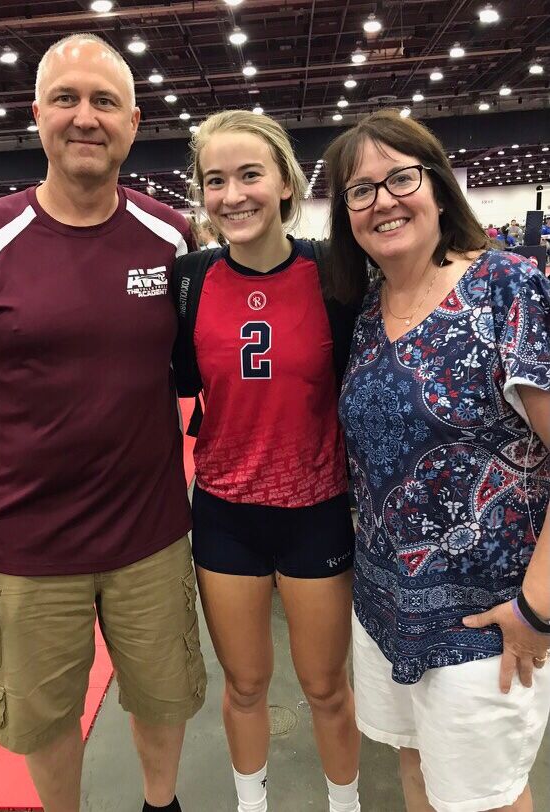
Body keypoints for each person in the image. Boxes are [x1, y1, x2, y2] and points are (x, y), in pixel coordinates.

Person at [0, 33, 206, 812]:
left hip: (150, 536)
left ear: (132, 120)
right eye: (67, 98)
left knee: (164, 694)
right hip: (26, 545)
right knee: (43, 718)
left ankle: (162, 805)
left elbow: (200, 372)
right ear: (38, 115)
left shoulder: (170, 235)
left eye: (104, 101)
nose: (85, 117)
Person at [325, 109, 550, 812]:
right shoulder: (366, 311)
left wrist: (535, 610)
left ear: (437, 186)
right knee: (415, 772)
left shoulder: (505, 288)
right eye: (359, 191)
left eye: (400, 178)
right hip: (386, 613)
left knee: (485, 799)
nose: (382, 200)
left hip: (487, 623)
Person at [172, 109, 361, 812]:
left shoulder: (334, 274)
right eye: (214, 180)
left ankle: (345, 803)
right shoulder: (187, 280)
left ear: (284, 183)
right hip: (225, 513)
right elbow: (169, 385)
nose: (232, 195)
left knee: (323, 686)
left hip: (315, 510)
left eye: (249, 174)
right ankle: (252, 804)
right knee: (245, 685)